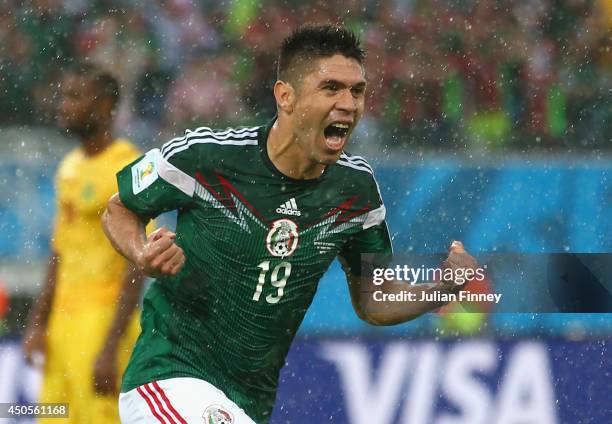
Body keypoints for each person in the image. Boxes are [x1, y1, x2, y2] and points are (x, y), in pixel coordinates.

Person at [103, 25, 477, 423]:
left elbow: (374, 297)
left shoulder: (356, 191)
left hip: (249, 401)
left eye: (357, 91)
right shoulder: (206, 157)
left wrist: (441, 288)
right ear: (285, 96)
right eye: (331, 88)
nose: (348, 104)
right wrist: (141, 252)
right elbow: (119, 208)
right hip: (169, 376)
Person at [23, 64, 147, 424]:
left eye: (75, 96)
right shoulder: (69, 167)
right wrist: (37, 323)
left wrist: (110, 346)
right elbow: (60, 249)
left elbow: (137, 259)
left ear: (106, 105)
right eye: (63, 96)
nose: (63, 105)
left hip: (102, 321)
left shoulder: (128, 167)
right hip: (61, 326)